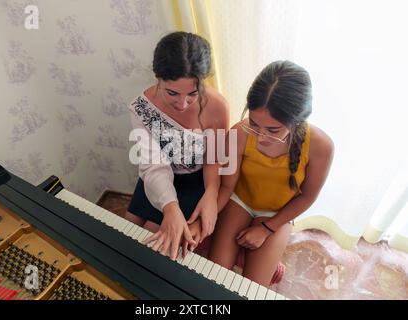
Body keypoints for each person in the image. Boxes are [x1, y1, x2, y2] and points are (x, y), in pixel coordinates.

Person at [209, 60, 334, 286]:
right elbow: (226, 185)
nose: (261, 137)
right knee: (213, 277)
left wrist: (267, 229)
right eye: (254, 124)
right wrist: (206, 219)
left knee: (252, 287)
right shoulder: (239, 132)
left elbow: (307, 196)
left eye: (273, 130)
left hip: (279, 213)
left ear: (297, 121)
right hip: (239, 201)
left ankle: (270, 262)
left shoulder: (321, 146)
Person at [124, 31, 229, 261]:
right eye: (172, 93)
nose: (182, 103)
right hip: (157, 175)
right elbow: (154, 166)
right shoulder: (140, 108)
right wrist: (170, 207)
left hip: (195, 181)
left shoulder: (218, 107)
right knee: (127, 231)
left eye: (192, 93)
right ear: (158, 78)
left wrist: (211, 193)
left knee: (155, 239)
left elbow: (214, 157)